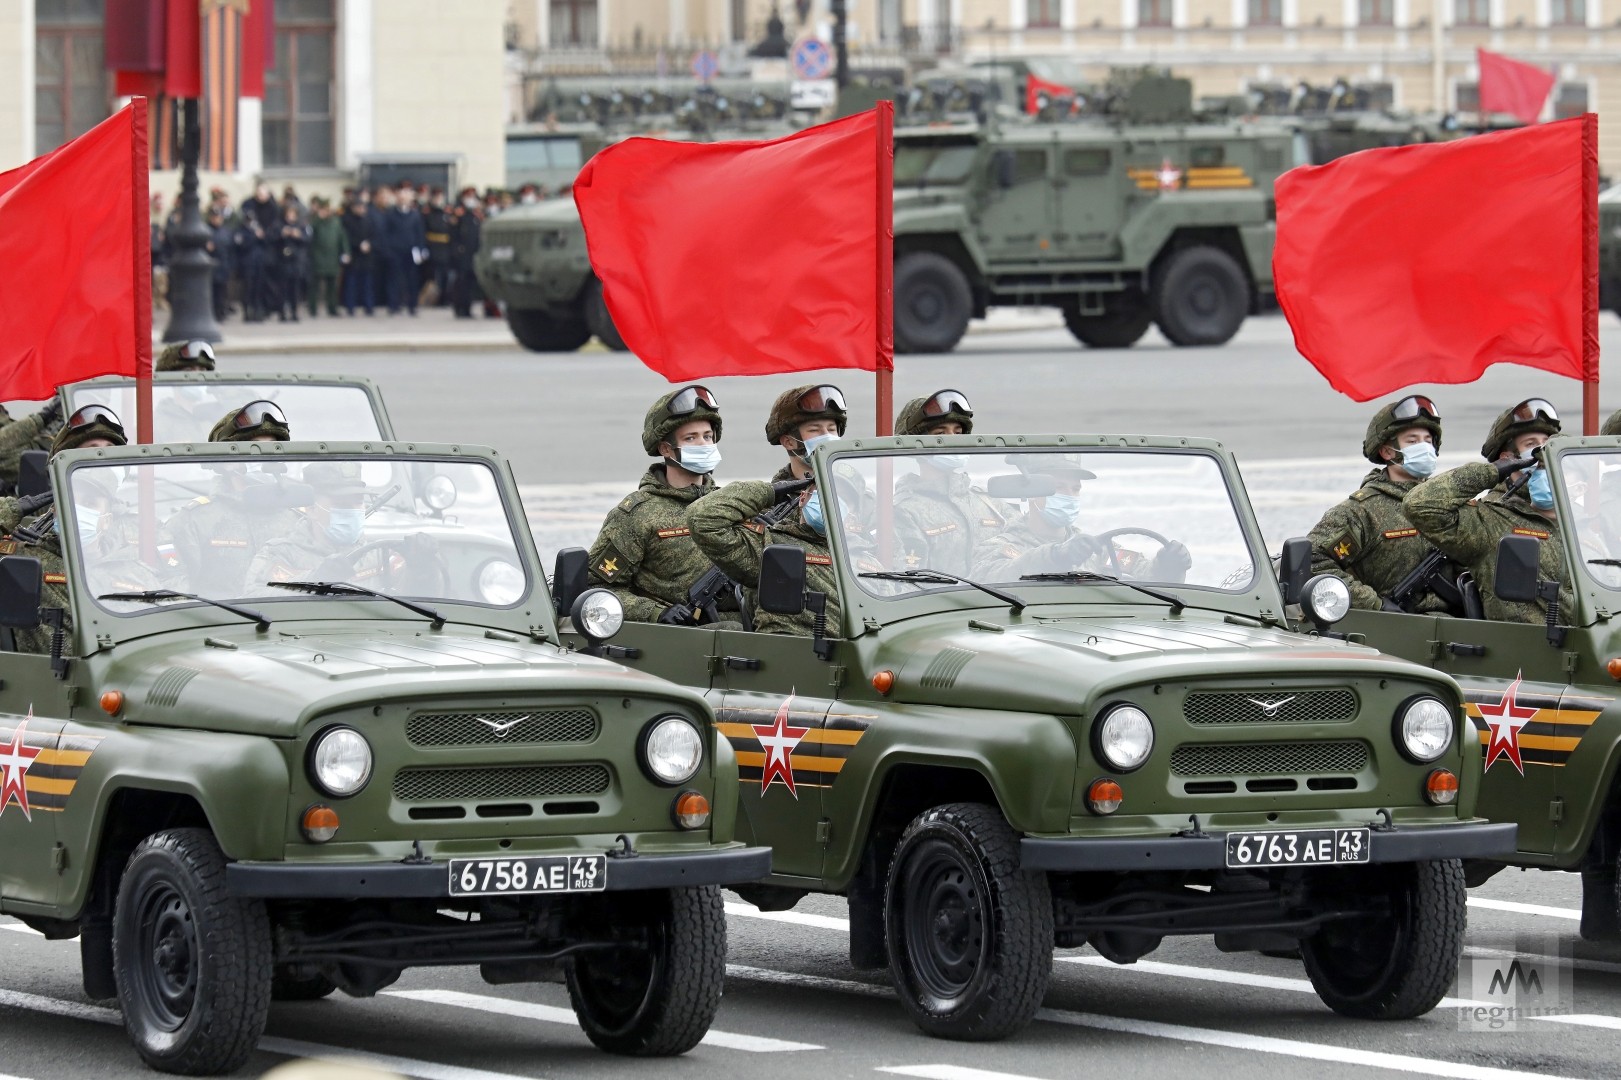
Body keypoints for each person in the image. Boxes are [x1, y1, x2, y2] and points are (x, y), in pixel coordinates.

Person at [688, 385, 853, 636]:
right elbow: (704, 518)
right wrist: (772, 492)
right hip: (798, 647)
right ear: (789, 441)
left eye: (831, 429)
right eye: (815, 430)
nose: (827, 437)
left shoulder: (860, 500)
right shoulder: (769, 520)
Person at [1403, 398, 1570, 623]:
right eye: (1532, 445)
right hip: (1530, 649)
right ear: (1510, 459)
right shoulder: (1491, 522)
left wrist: (1568, 454)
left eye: (1548, 444)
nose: (1543, 455)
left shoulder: (1581, 518)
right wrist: (1494, 472)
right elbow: (1420, 504)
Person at [586, 386, 733, 624]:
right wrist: (655, 613)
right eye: (690, 438)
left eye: (707, 436)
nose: (704, 444)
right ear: (666, 449)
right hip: (679, 639)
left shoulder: (731, 505)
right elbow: (598, 590)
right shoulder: (636, 514)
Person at [1306, 395, 1450, 612]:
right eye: (1411, 441)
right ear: (1387, 451)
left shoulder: (1447, 502)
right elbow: (1312, 561)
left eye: (1428, 440)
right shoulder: (1360, 512)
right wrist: (1374, 604)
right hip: (1395, 628)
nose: (1424, 447)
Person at [10, 406, 133, 653]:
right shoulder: (28, 553)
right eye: (91, 450)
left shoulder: (137, 545)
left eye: (110, 451)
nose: (101, 459)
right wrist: (12, 509)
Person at [972, 454, 1192, 581]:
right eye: (1059, 487)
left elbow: (1147, 575)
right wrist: (1056, 556)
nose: (1069, 495)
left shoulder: (1096, 547)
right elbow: (993, 578)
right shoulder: (1001, 547)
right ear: (1032, 493)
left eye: (1075, 489)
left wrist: (1168, 564)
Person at [158, 401, 297, 598]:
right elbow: (173, 592)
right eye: (257, 449)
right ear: (228, 462)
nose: (268, 458)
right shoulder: (194, 522)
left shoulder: (298, 521)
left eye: (274, 449)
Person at [890, 389, 1006, 575]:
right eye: (940, 434)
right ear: (914, 444)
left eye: (958, 432)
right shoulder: (904, 512)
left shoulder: (989, 503)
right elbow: (909, 583)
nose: (952, 440)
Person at [307, 197, 349, 318]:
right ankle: (313, 308)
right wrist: (318, 219)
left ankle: (332, 308)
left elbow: (342, 237)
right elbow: (309, 233)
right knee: (314, 286)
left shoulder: (336, 221)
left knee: (332, 286)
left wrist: (346, 251)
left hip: (332, 258)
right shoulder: (315, 221)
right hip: (318, 257)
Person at [341, 194, 376, 315]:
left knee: (367, 284)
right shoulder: (347, 220)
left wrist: (369, 244)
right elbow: (346, 238)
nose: (361, 210)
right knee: (351, 284)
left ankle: (369, 306)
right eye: (359, 207)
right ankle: (350, 307)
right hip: (354, 256)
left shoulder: (368, 220)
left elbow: (374, 235)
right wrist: (358, 245)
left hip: (367, 256)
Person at [275, 204, 311, 322]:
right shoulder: (279, 225)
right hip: (283, 261)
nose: (290, 217)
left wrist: (298, 235)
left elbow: (308, 240)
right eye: (288, 214)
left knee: (295, 289)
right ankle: (282, 312)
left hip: (296, 261)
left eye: (293, 214)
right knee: (282, 289)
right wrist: (282, 234)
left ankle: (294, 312)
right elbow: (271, 239)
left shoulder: (301, 226)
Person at [450, 191, 482, 319]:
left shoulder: (476, 217)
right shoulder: (459, 217)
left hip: (473, 255)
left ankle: (468, 308)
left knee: (470, 284)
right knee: (461, 283)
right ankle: (460, 308)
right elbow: (453, 236)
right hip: (462, 255)